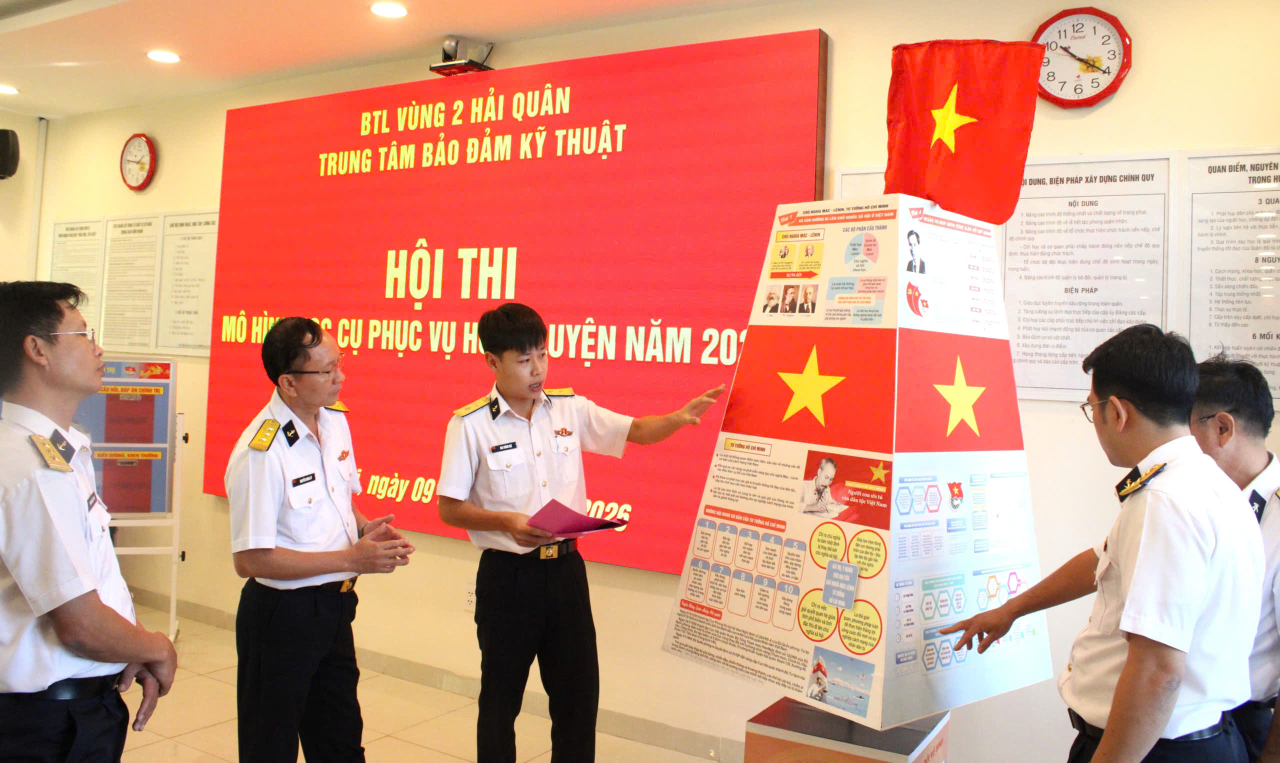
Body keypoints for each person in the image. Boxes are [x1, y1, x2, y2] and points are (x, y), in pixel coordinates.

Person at [942, 324, 1263, 763]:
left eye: (1091, 408)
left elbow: (1157, 672)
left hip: (1155, 750)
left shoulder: (1165, 502)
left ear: (1117, 412)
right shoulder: (1206, 481)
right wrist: (1011, 610)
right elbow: (1102, 559)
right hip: (1191, 741)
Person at [437, 303, 724, 763]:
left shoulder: (569, 409)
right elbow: (449, 509)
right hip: (508, 578)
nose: (538, 369)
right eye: (524, 360)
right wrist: (506, 522)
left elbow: (635, 431)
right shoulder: (470, 426)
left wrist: (677, 418)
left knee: (577, 700)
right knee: (500, 702)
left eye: (543, 355)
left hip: (566, 574)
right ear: (492, 361)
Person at [0, 281, 178, 759]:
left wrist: (129, 645)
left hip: (64, 710)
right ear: (37, 350)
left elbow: (91, 580)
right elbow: (80, 625)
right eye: (82, 335)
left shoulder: (56, 450)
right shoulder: (34, 469)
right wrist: (156, 647)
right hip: (47, 726)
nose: (98, 349)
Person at [225, 317, 415, 763]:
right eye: (327, 371)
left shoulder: (334, 423)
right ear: (288, 383)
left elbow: (340, 499)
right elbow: (250, 560)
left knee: (340, 742)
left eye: (340, 364)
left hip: (334, 609)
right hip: (281, 617)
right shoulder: (261, 451)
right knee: (270, 748)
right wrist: (351, 558)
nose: (340, 377)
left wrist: (364, 531)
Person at [1190, 354, 1280, 763]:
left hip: (1245, 724)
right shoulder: (1196, 497)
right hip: (1185, 717)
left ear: (1222, 428)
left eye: (1185, 426)